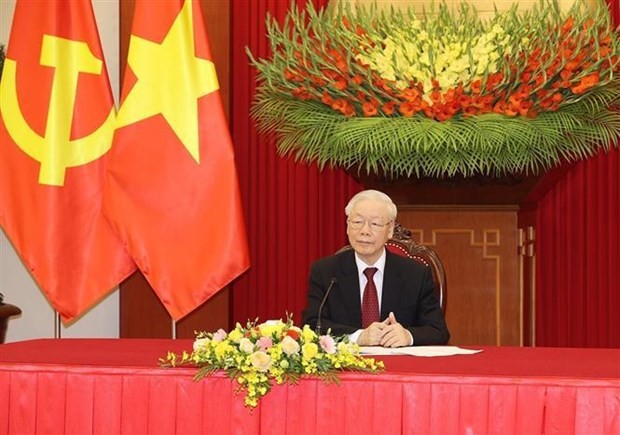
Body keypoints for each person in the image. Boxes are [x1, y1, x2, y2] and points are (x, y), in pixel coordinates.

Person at [302, 189, 450, 347]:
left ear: (390, 229)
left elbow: (438, 331)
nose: (364, 231)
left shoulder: (415, 274)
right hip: (346, 368)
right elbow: (311, 326)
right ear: (347, 226)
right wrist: (358, 336)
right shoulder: (326, 272)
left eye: (375, 224)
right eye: (357, 222)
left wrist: (408, 335)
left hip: (400, 366)